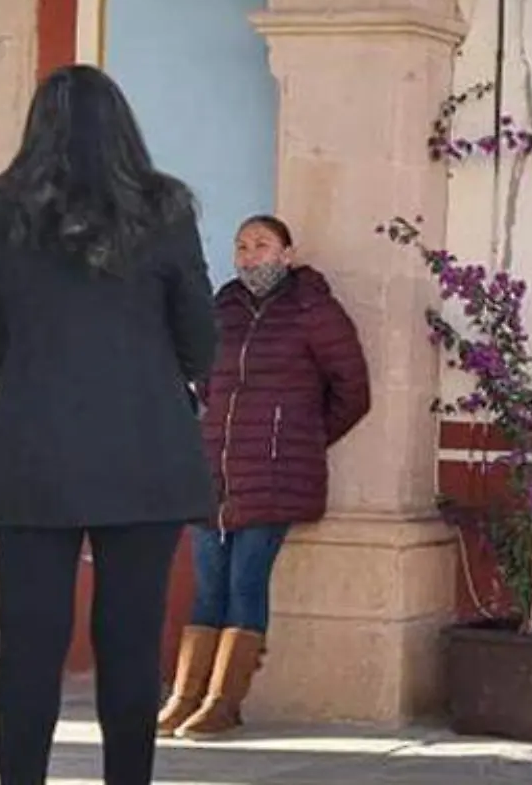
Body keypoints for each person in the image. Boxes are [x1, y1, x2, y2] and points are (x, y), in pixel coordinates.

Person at [0, 64, 218, 785]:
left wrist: (33, 377)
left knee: (28, 644)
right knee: (132, 644)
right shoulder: (166, 209)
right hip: (145, 447)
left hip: (28, 449)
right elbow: (200, 337)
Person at [156, 214, 370, 739]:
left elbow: (353, 391)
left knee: (244, 585)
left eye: (262, 245)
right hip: (213, 475)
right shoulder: (222, 308)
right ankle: (185, 697)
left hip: (276, 476)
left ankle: (224, 703)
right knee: (207, 589)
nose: (251, 255)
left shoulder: (314, 310)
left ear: (287, 254)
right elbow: (205, 384)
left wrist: (299, 439)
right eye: (243, 246)